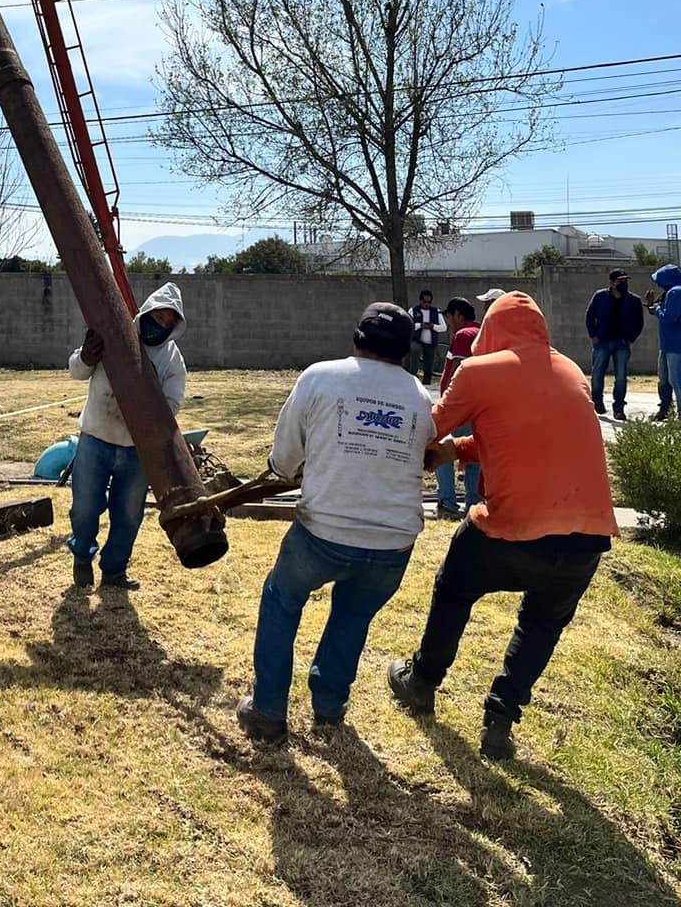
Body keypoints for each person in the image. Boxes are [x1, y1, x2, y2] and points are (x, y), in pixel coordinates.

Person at [388, 290, 617, 762]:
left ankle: (423, 680)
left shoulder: (477, 370)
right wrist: (460, 451)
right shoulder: (569, 369)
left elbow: (427, 428)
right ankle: (500, 720)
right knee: (541, 624)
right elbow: (523, 432)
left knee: (454, 585)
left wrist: (422, 447)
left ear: (489, 331)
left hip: (517, 530)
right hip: (587, 536)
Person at [236, 303, 434, 742]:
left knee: (281, 600)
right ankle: (328, 707)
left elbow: (285, 461)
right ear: (405, 352)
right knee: (352, 615)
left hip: (323, 531)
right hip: (394, 540)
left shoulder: (320, 376)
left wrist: (289, 467)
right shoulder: (420, 396)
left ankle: (267, 711)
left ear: (356, 340)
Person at [66, 282, 186, 591]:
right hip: (96, 437)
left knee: (129, 516)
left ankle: (114, 572)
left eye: (166, 322)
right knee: (84, 508)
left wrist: (149, 398)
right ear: (146, 311)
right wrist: (87, 357)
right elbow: (77, 372)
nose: (158, 325)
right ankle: (82, 557)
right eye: (156, 316)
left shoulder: (172, 360)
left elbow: (172, 405)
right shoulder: (115, 334)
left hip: (137, 451)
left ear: (173, 326)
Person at [434, 298, 482, 520]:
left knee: (439, 448)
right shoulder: (481, 331)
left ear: (458, 315)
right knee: (472, 452)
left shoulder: (463, 335)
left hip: (458, 404)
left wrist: (447, 402)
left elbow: (458, 370)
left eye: (448, 316)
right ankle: (473, 501)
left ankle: (447, 501)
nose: (448, 321)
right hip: (477, 403)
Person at [585, 269, 644, 420]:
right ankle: (597, 403)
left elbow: (639, 322)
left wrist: (631, 338)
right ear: (611, 283)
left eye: (626, 281)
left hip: (622, 344)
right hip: (602, 342)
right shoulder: (600, 297)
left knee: (621, 377)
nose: (624, 284)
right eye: (620, 281)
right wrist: (593, 335)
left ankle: (619, 408)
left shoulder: (633, 300)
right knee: (597, 374)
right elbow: (590, 316)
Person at [646, 264, 681, 418]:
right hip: (668, 345)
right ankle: (666, 410)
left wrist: (656, 309)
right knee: (665, 380)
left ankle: (680, 414)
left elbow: (669, 317)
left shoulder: (675, 292)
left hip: (676, 346)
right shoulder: (672, 292)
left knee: (676, 381)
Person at [409, 290, 447, 384]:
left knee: (429, 367)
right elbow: (408, 325)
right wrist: (420, 325)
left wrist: (432, 326)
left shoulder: (436, 312)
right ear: (420, 301)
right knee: (415, 351)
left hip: (430, 342)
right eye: (425, 302)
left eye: (429, 302)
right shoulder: (413, 310)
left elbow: (444, 327)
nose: (427, 304)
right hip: (416, 340)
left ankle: (427, 384)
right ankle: (412, 380)